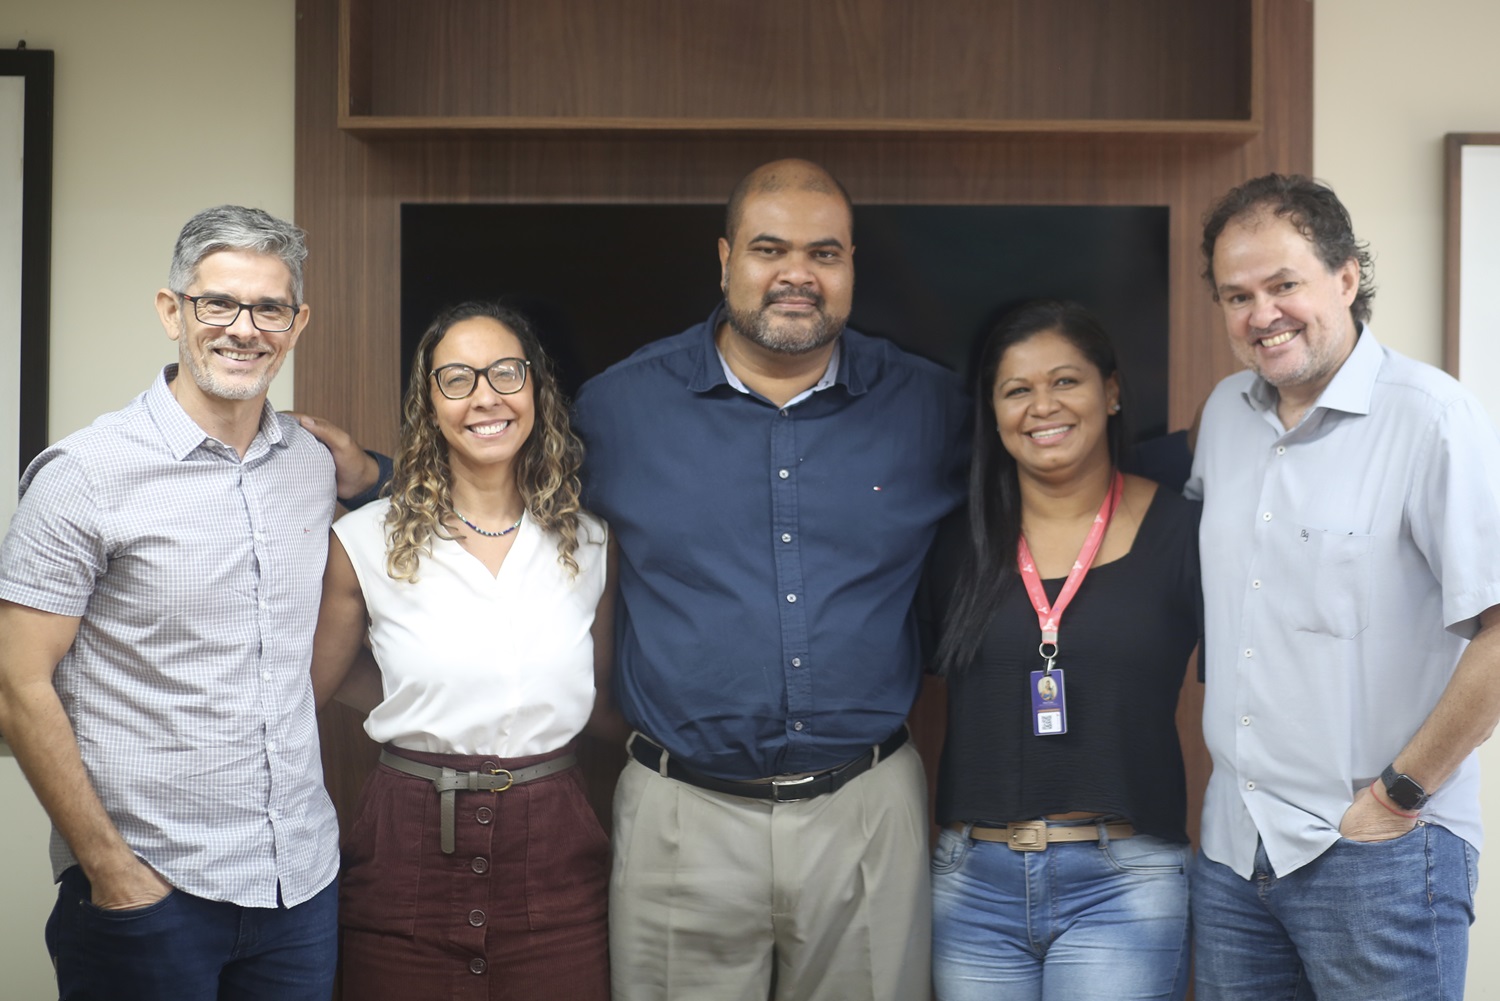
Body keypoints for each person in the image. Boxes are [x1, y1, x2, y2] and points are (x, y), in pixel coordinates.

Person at [570, 158, 970, 1000]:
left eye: (824, 252)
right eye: (769, 249)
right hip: (684, 810)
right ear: (724, 261)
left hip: (865, 808)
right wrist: (373, 472)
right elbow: (491, 491)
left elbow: (1060, 477)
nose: (797, 273)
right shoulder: (619, 408)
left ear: (853, 264)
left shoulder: (931, 406)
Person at [0, 206, 343, 999]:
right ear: (171, 311)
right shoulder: (84, 475)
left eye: (269, 308)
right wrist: (112, 871)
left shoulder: (313, 466)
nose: (244, 329)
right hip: (153, 892)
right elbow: (18, 689)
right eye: (217, 302)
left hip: (300, 886)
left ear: (297, 323)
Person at [1185, 173, 1500, 1001]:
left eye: (1284, 284)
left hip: (1377, 853)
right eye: (1237, 294)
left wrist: (1397, 797)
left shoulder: (1432, 416)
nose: (1263, 314)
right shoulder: (1223, 414)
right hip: (1232, 851)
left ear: (1347, 277)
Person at [310, 301, 615, 999]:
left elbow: (602, 699)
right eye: (457, 378)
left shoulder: (590, 541)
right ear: (429, 403)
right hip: (405, 852)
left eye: (506, 372)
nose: (486, 395)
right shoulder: (365, 542)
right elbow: (308, 692)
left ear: (536, 387)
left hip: (555, 854)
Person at [922, 300, 1200, 1001]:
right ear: (992, 411)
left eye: (1065, 381)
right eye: (1017, 389)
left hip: (1123, 881)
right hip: (971, 885)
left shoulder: (1183, 530)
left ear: (1110, 391)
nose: (1042, 405)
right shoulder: (956, 542)